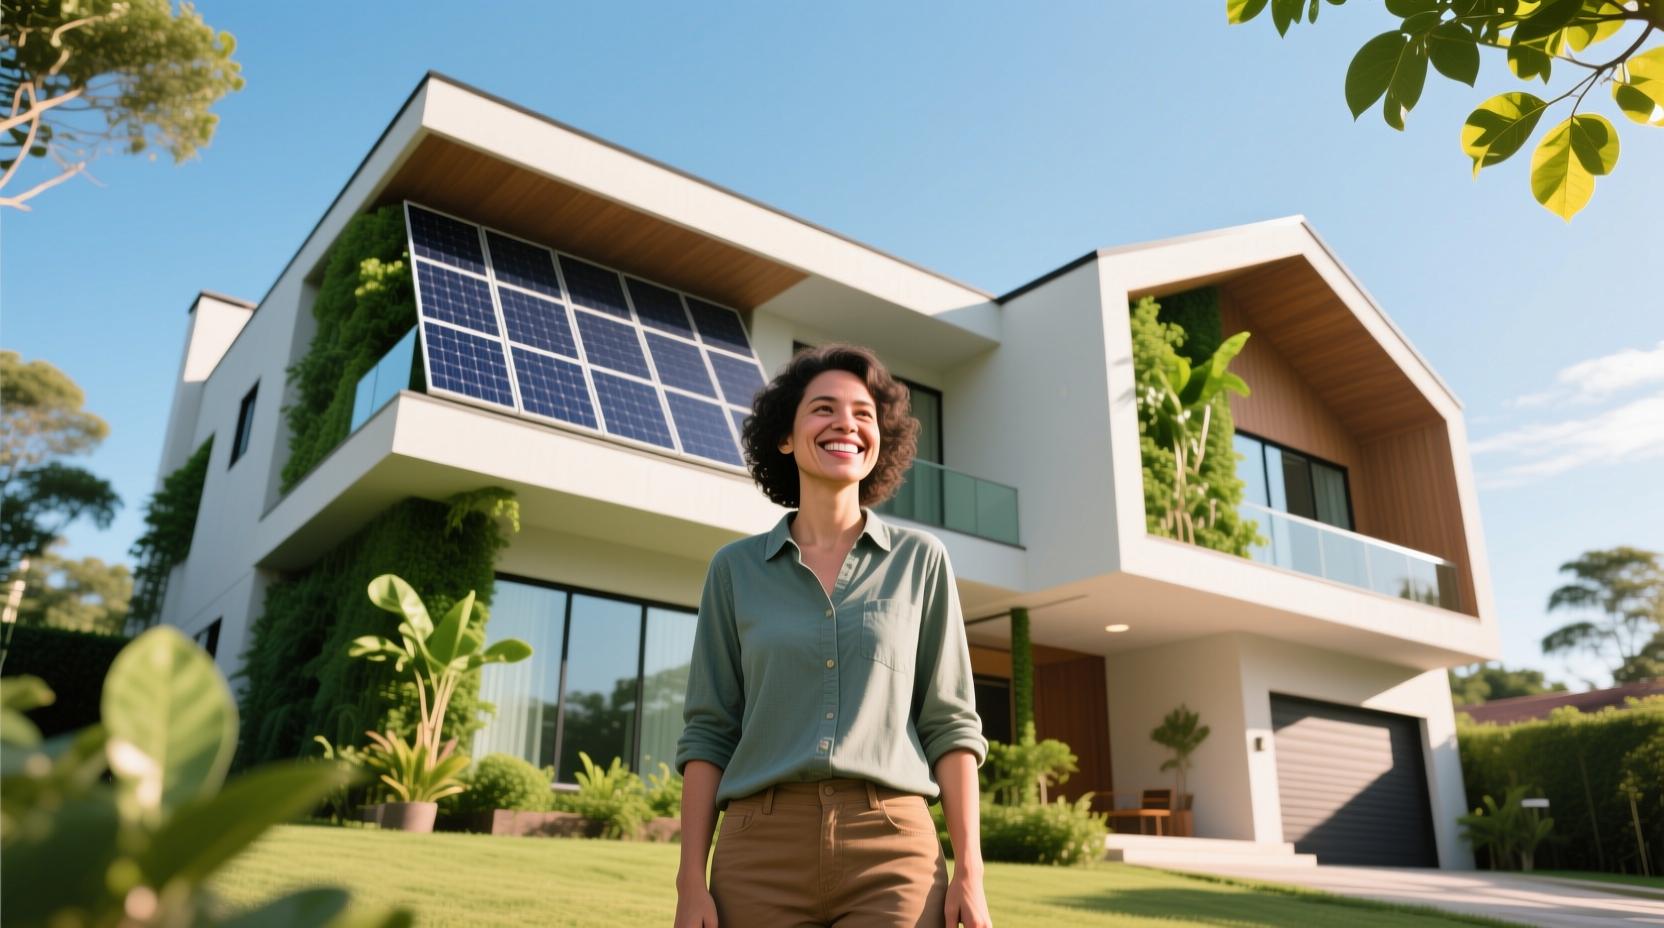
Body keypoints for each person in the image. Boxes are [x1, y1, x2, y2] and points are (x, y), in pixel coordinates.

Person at [673, 344, 992, 928]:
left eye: (864, 414)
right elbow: (709, 731)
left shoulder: (922, 562)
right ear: (786, 437)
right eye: (823, 409)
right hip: (757, 853)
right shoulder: (734, 570)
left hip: (893, 851)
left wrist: (970, 868)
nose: (846, 422)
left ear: (880, 443)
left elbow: (949, 723)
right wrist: (690, 880)